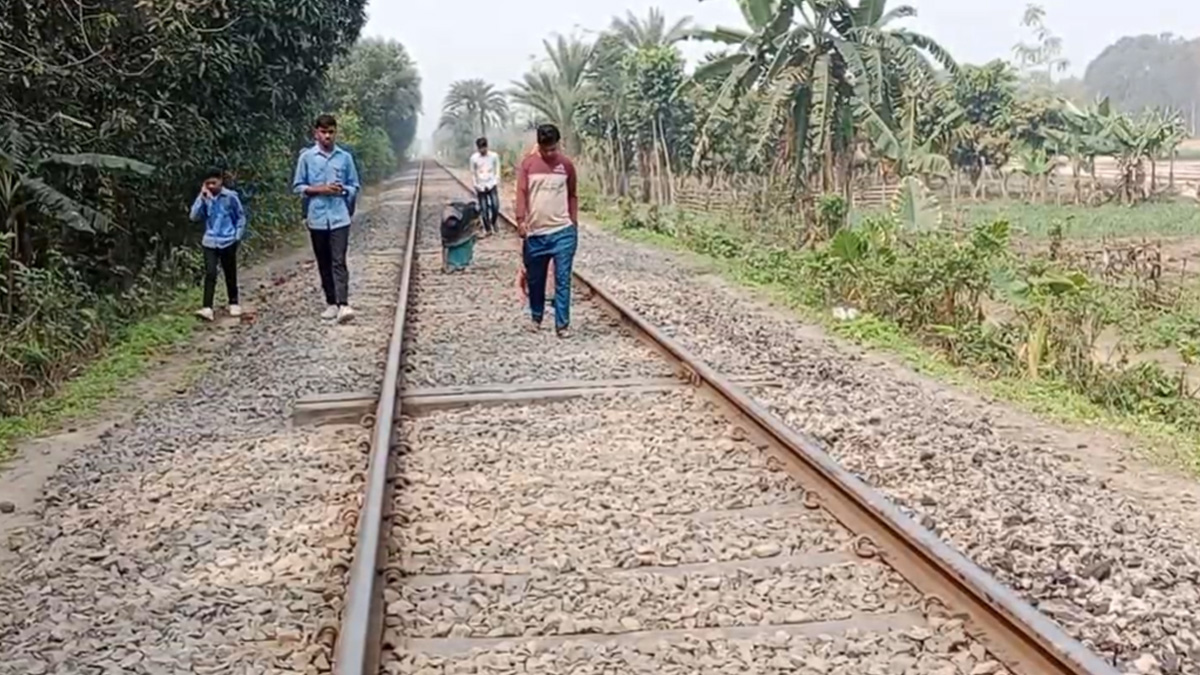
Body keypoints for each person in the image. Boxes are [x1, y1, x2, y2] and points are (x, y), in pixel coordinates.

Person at [292, 113, 361, 323]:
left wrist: (342, 192)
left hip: (340, 217)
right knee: (323, 261)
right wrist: (321, 189)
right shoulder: (306, 158)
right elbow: (299, 187)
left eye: (331, 132)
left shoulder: (345, 158)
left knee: (338, 260)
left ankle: (343, 304)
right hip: (317, 218)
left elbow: (354, 185)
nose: (327, 136)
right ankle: (331, 302)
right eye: (323, 132)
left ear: (335, 132)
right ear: (316, 133)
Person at [515, 123, 578, 338]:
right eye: (546, 149)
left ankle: (562, 325)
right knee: (536, 279)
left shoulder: (566, 166)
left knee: (563, 279)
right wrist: (520, 220)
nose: (550, 153)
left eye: (554, 148)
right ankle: (536, 316)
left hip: (563, 232)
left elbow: (572, 194)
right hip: (536, 234)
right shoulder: (528, 165)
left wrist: (574, 222)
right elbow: (521, 193)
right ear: (539, 146)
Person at [189, 167, 246, 322]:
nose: (212, 186)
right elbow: (194, 216)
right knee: (210, 273)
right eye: (208, 184)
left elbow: (240, 217)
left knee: (230, 272)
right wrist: (202, 197)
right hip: (210, 240)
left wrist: (237, 236)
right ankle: (207, 307)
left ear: (221, 181)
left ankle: (233, 302)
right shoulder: (205, 197)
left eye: (214, 183)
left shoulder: (231, 197)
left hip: (227, 239)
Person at [469, 137, 500, 236]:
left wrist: (495, 181)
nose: (483, 150)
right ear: (478, 148)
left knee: (495, 205)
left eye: (484, 148)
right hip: (480, 185)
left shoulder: (494, 156)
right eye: (481, 148)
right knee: (484, 208)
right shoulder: (474, 158)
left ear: (487, 147)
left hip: (491, 184)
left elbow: (497, 169)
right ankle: (488, 228)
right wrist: (476, 185)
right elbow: (473, 172)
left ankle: (494, 221)